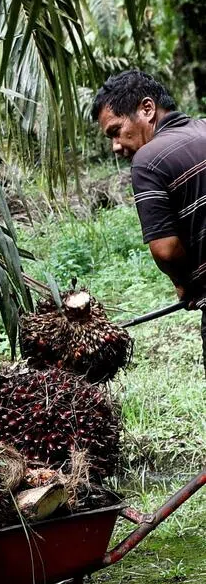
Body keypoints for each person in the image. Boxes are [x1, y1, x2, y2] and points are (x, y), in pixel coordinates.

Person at [91, 68, 206, 363]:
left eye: (116, 131)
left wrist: (185, 285)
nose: (116, 146)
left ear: (147, 108)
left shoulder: (147, 160)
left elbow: (165, 251)